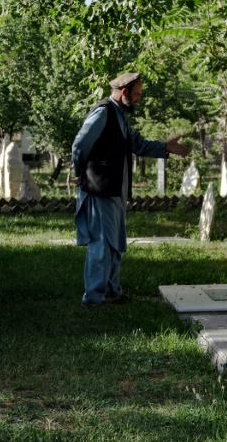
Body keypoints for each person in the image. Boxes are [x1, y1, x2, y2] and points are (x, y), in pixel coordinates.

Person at [72, 71, 190, 306]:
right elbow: (79, 146)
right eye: (136, 94)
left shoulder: (120, 115)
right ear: (124, 92)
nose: (139, 99)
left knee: (115, 243)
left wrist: (165, 148)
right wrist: (82, 175)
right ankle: (94, 299)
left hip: (115, 190)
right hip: (100, 189)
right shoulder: (103, 112)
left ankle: (112, 292)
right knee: (101, 244)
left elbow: (136, 144)